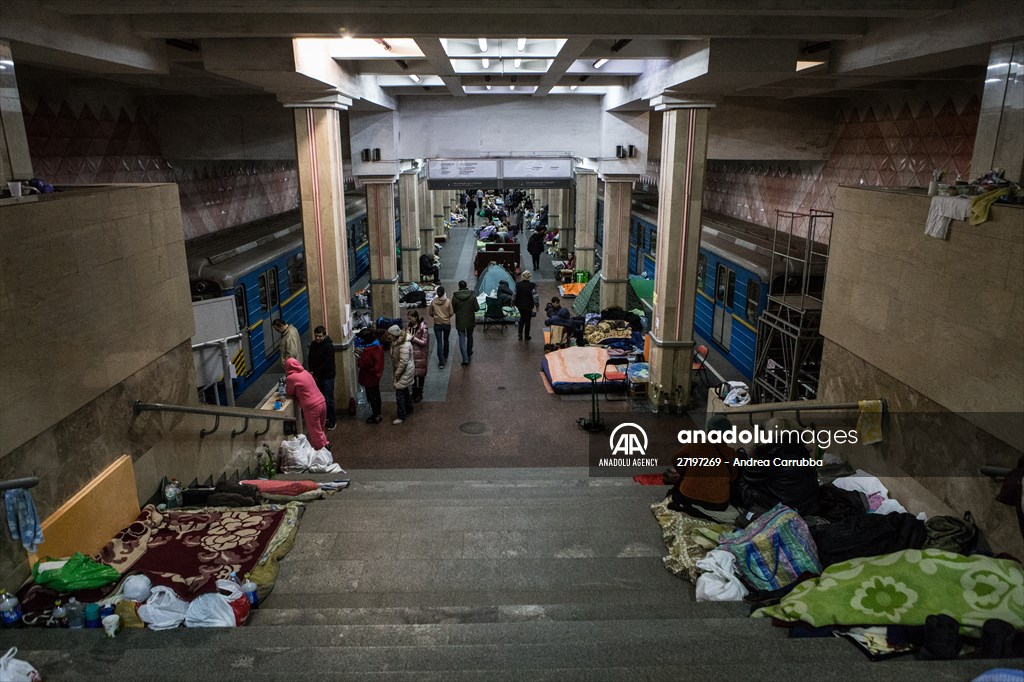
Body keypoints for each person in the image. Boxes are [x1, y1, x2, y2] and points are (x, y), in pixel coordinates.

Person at [735, 418, 821, 515]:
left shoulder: (769, 452)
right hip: (805, 507)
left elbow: (748, 476)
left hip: (778, 507)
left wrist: (753, 454)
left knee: (743, 482)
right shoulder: (803, 451)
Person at [663, 415, 739, 523]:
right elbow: (733, 477)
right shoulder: (732, 454)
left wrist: (686, 472)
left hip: (689, 496)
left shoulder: (695, 446)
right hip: (718, 504)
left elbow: (676, 459)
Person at [283, 358, 328, 450]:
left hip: (311, 407)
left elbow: (289, 392)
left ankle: (322, 452)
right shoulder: (306, 373)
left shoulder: (291, 378)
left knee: (315, 432)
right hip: (322, 402)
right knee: (320, 429)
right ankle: (326, 444)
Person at [307, 326, 336, 430]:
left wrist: (314, 372)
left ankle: (332, 420)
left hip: (327, 376)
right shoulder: (314, 345)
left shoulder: (329, 346)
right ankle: (325, 418)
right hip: (317, 375)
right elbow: (310, 357)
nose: (318, 338)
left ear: (324, 335)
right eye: (316, 336)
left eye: (320, 336)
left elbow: (327, 363)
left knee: (328, 399)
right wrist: (311, 370)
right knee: (321, 399)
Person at [355, 328, 384, 424]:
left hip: (369, 377)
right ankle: (378, 412)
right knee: (376, 394)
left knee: (372, 396)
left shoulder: (369, 351)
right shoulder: (378, 346)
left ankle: (375, 415)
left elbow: (363, 364)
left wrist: (359, 357)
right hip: (376, 375)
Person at [388, 325, 415, 424]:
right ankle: (409, 407)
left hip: (405, 371)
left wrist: (397, 374)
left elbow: (403, 362)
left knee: (399, 393)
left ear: (394, 335)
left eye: (390, 335)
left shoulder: (404, 345)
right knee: (404, 389)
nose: (388, 336)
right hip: (404, 369)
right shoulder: (397, 342)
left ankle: (401, 415)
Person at [451, 279, 479, 366]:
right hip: (470, 319)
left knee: (462, 339)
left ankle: (465, 359)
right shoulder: (472, 295)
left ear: (459, 286)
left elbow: (453, 309)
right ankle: (469, 351)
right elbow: (477, 308)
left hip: (460, 320)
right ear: (466, 286)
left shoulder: (455, 297)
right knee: (470, 336)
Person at [406, 310, 430, 403]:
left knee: (420, 374)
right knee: (413, 373)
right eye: (408, 318)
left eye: (411, 318)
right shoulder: (408, 327)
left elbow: (424, 342)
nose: (409, 320)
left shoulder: (423, 328)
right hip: (411, 353)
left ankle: (419, 393)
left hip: (420, 354)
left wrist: (412, 338)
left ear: (416, 317)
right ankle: (414, 392)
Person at [429, 285, 453, 369]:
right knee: (446, 339)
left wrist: (436, 316)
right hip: (446, 324)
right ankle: (445, 354)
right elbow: (451, 313)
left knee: (439, 342)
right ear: (443, 293)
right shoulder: (448, 301)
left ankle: (441, 362)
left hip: (437, 324)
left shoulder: (433, 302)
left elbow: (430, 313)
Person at [514, 270, 539, 341]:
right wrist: (537, 305)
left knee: (522, 318)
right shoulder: (532, 285)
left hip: (520, 305)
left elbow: (514, 295)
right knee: (528, 320)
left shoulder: (518, 285)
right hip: (529, 306)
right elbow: (535, 297)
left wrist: (512, 303)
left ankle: (520, 333)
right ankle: (526, 336)